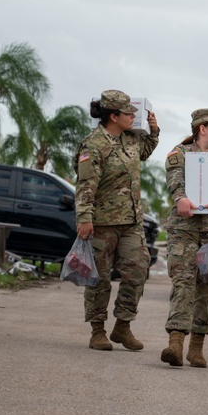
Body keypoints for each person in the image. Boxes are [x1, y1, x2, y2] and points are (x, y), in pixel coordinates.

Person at [75, 90, 159, 351]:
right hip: (102, 223)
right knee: (99, 278)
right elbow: (86, 185)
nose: (134, 116)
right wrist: (84, 218)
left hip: (131, 222)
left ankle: (123, 326)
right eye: (128, 113)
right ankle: (97, 330)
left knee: (137, 270)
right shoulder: (94, 145)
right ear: (113, 116)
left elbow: (144, 152)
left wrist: (154, 132)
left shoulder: (130, 140)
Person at [161, 108, 208, 368]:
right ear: (202, 128)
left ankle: (197, 346)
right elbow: (174, 179)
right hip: (185, 226)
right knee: (183, 282)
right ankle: (175, 342)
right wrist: (181, 198)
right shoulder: (179, 153)